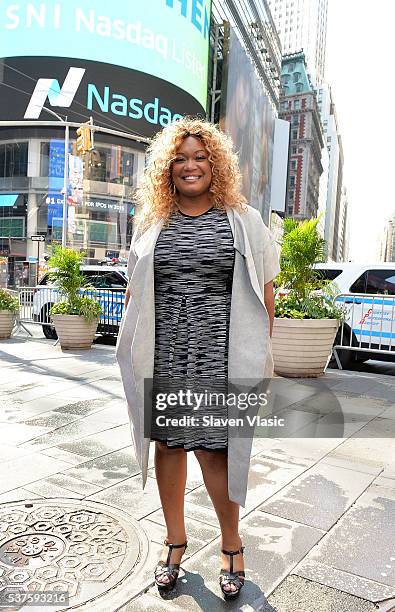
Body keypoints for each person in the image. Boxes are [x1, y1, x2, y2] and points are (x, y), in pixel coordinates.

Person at [116, 117, 280, 600]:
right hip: (165, 355)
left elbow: (266, 293)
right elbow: (135, 290)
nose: (190, 166)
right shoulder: (151, 223)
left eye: (200, 158)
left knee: (215, 452)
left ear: (216, 165)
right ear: (167, 169)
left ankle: (232, 546)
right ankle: (175, 541)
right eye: (180, 159)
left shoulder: (244, 221)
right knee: (168, 448)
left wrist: (258, 357)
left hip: (219, 359)